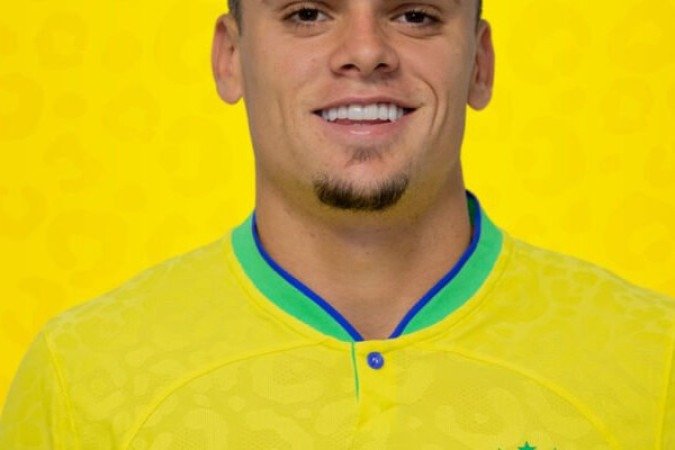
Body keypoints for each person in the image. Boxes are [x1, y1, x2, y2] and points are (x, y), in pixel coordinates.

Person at [1, 0, 674, 447]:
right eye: (307, 13)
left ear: (479, 63)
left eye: (414, 14)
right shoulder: (81, 374)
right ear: (230, 57)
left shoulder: (655, 363)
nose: (365, 51)